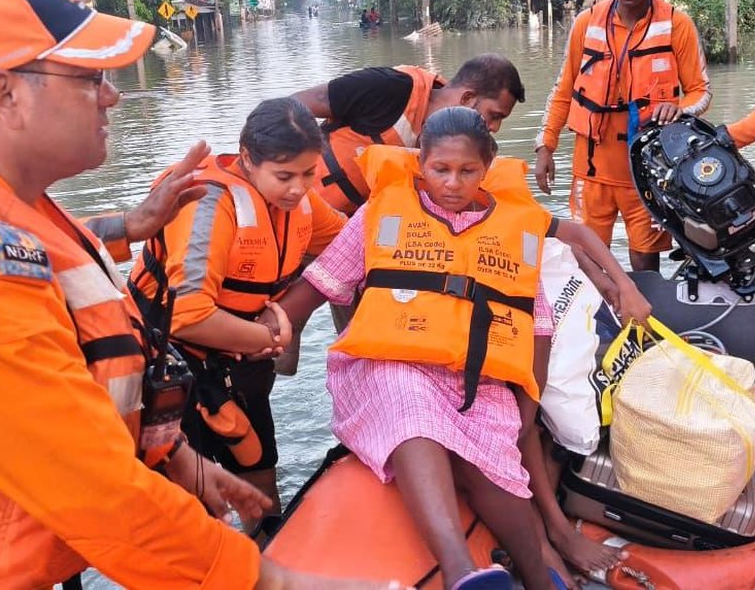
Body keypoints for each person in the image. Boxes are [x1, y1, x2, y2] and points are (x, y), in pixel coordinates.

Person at [0, 0, 406, 589]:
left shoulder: (14, 212)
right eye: (90, 79)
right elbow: (92, 489)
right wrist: (273, 581)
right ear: (5, 93)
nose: (112, 94)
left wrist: (175, 456)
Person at [266, 107, 650, 590]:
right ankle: (459, 570)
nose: (452, 183)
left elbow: (537, 328)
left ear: (487, 167)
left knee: (493, 466)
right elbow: (314, 289)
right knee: (410, 402)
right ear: (420, 163)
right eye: (439, 170)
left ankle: (539, 572)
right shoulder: (381, 212)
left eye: (467, 171)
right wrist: (259, 332)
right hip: (390, 367)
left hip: (474, 380)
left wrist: (526, 412)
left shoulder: (513, 228)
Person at [128, 97, 348, 530]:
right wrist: (272, 339)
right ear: (247, 159)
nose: (298, 188)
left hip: (239, 362)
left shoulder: (299, 202)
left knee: (261, 474)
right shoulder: (208, 203)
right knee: (184, 496)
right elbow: (189, 315)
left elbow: (352, 244)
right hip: (169, 365)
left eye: (308, 174)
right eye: (283, 176)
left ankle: (265, 551)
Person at [534, 0, 712, 272]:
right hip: (591, 168)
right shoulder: (586, 22)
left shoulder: (676, 24)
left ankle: (642, 315)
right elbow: (563, 90)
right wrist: (546, 145)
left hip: (647, 170)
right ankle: (597, 314)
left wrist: (680, 109)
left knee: (644, 259)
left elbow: (700, 91)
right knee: (587, 257)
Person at [292, 53, 523, 217]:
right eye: (494, 115)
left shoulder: (468, 147)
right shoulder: (388, 87)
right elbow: (293, 106)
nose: (494, 128)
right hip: (296, 204)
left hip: (347, 225)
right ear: (467, 98)